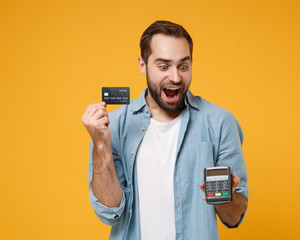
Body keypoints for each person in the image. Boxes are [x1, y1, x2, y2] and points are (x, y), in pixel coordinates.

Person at [81, 20, 249, 240]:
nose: (176, 77)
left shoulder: (219, 122)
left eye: (183, 66)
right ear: (142, 65)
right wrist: (101, 144)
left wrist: (226, 195)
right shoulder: (114, 125)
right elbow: (109, 212)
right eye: (163, 66)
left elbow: (234, 218)